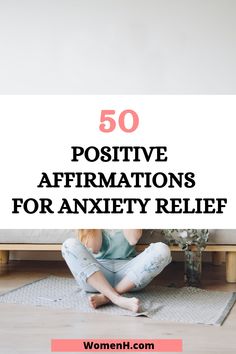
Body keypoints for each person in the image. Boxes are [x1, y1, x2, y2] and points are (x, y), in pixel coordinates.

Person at [61, 229, 171, 313]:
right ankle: (116, 298)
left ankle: (106, 297)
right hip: (96, 276)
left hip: (129, 277)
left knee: (162, 249)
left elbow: (133, 239)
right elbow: (95, 247)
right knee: (68, 245)